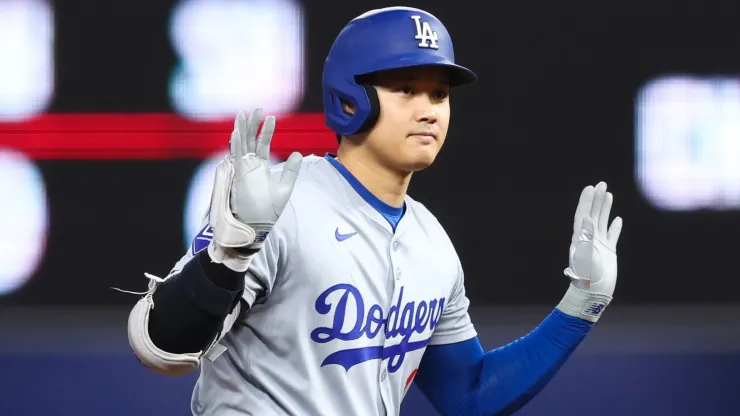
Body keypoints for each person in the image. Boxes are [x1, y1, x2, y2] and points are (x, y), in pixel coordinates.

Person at [127, 6, 623, 416]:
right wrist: (228, 255)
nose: (429, 109)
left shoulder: (432, 243)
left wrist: (580, 306)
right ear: (350, 98)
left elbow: (468, 397)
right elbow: (158, 349)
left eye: (440, 94)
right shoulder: (278, 204)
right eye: (406, 88)